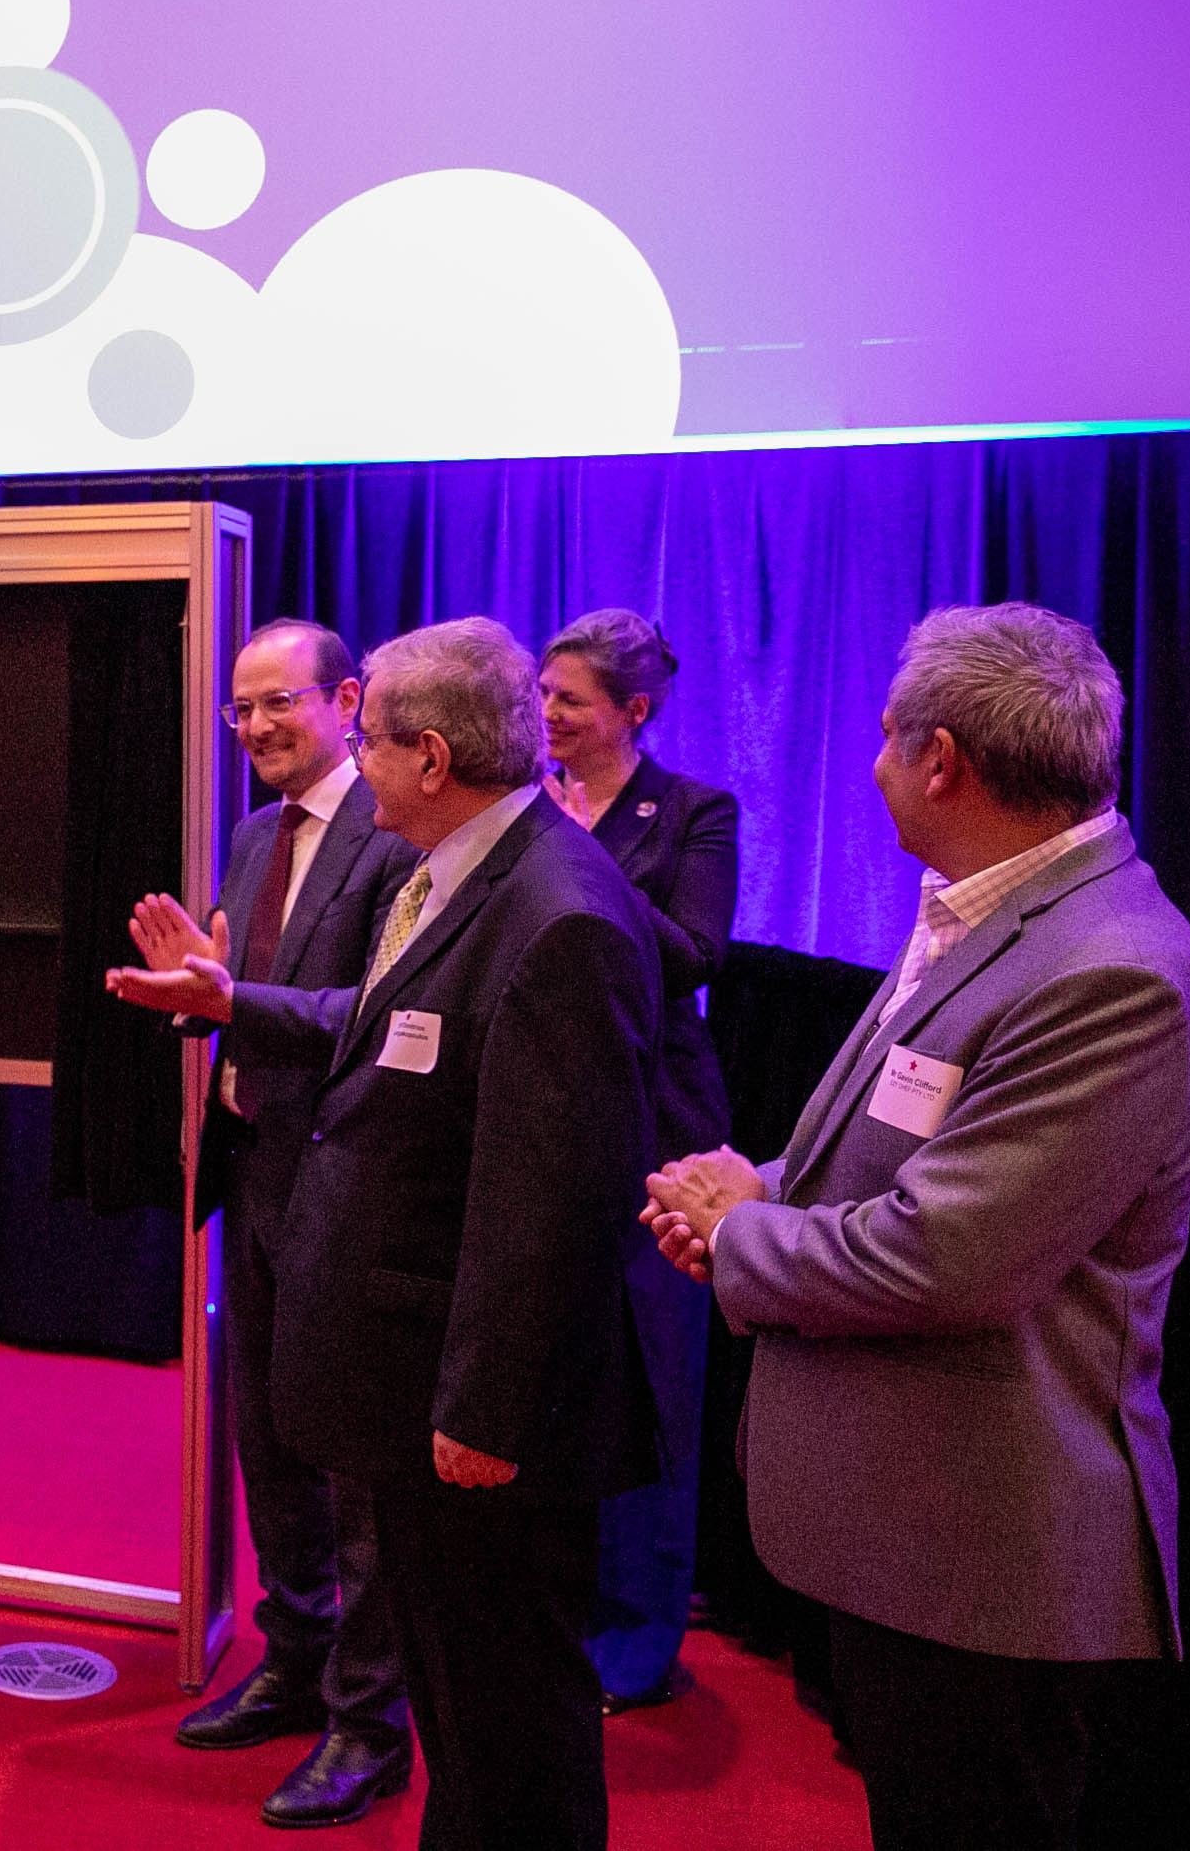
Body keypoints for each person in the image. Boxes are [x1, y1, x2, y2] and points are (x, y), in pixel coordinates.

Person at [644, 604, 1190, 1851]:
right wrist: (754, 1185)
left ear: (942, 759)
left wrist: (737, 1235)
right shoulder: (984, 911)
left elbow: (941, 1254)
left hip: (981, 1560)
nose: (870, 767)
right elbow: (880, 1160)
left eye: (883, 739)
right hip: (910, 1536)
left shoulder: (1109, 969)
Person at [110, 616, 659, 1851]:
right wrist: (222, 997)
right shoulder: (460, 870)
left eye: (354, 731)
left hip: (466, 1384)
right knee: (471, 1695)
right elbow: (392, 1028)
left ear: (422, 753)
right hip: (360, 1288)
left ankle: (372, 1727)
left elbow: (556, 1203)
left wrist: (481, 1405)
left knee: (508, 1697)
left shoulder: (555, 909)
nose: (344, 756)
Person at [147, 620, 417, 1827]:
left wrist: (233, 999)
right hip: (254, 1175)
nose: (252, 728)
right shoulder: (253, 837)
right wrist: (198, 996)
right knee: (269, 1444)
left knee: (355, 1464)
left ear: (346, 699)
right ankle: (295, 1666)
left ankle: (371, 1722)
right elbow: (237, 996)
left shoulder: (401, 834)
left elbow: (390, 1012)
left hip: (351, 1190)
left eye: (276, 705)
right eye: (236, 710)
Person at [538, 610, 738, 1714]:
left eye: (567, 698)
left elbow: (692, 954)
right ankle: (564, 1606)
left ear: (635, 712)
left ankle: (641, 1640)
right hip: (547, 1122)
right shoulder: (529, 802)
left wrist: (574, 854)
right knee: (561, 1380)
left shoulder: (696, 813)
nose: (546, 715)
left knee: (657, 1386)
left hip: (660, 1129)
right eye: (542, 694)